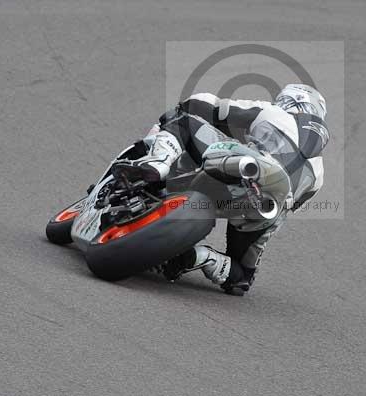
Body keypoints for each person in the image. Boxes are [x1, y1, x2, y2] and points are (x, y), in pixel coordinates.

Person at [123, 84, 328, 295]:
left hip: (248, 170)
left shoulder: (275, 113)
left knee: (183, 121)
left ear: (292, 102)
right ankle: (201, 257)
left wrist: (184, 107)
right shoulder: (318, 175)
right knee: (241, 278)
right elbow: (288, 208)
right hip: (265, 210)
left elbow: (211, 107)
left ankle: (159, 163)